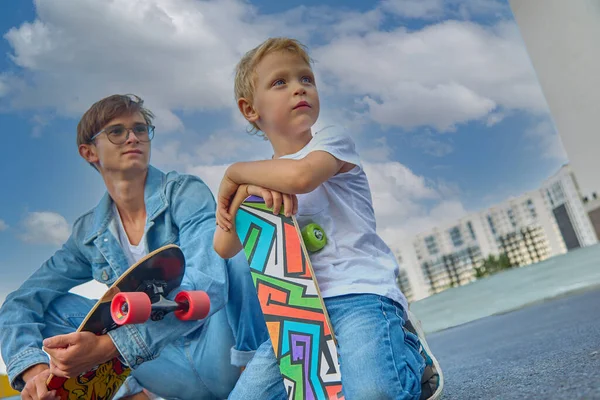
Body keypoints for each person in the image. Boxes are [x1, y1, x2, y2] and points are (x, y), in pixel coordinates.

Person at [212, 37, 444, 399]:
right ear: (249, 110)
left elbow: (301, 177)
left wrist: (234, 173)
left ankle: (411, 357)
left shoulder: (330, 143)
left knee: (372, 392)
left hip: (361, 296)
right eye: (280, 82)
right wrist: (241, 192)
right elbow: (224, 247)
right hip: (296, 313)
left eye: (306, 79)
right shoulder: (259, 177)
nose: (298, 89)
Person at [0, 94, 268, 400]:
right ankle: (132, 394)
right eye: (117, 132)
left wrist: (109, 347)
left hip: (220, 347)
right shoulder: (88, 233)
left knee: (236, 253)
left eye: (140, 129)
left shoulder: (183, 193)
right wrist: (33, 371)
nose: (132, 137)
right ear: (89, 152)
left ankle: (256, 381)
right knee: (52, 307)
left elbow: (210, 285)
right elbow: (20, 302)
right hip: (160, 365)